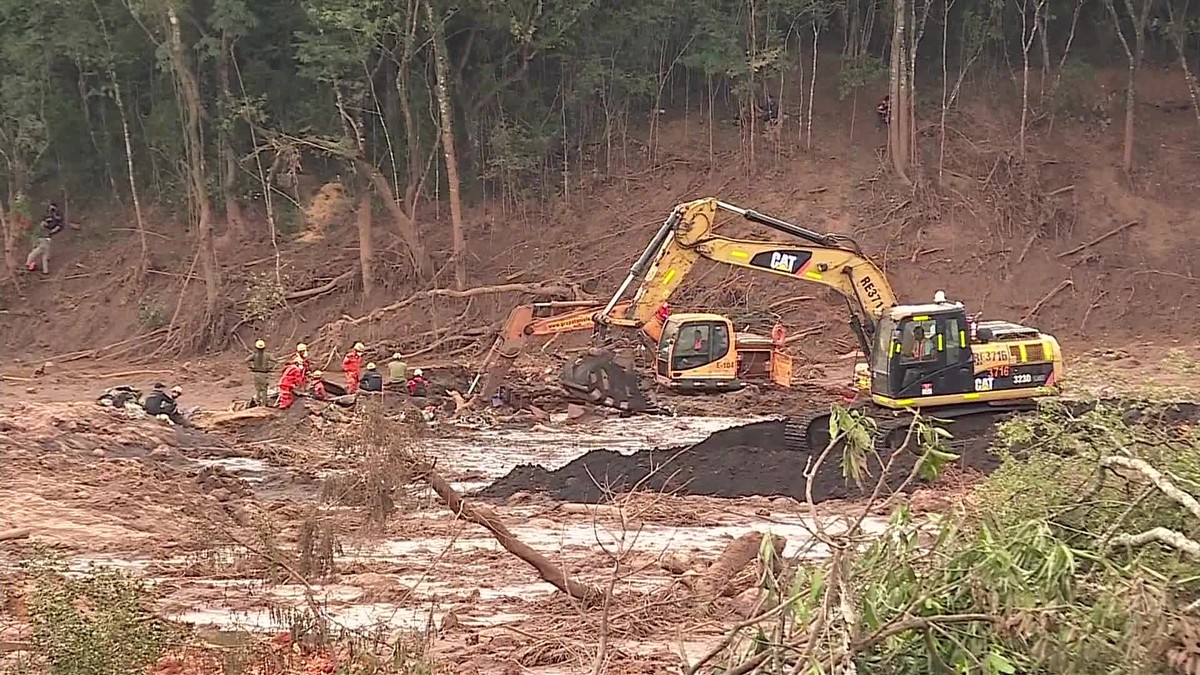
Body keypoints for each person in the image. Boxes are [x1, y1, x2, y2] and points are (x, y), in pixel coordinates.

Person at [25, 203, 66, 275]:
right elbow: (45, 223)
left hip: (45, 238)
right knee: (44, 255)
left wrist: (52, 219)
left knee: (36, 253)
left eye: (53, 208)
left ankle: (29, 264)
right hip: (45, 238)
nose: (51, 210)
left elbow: (59, 223)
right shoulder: (47, 217)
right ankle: (45, 270)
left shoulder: (57, 216)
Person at [246, 339, 276, 406]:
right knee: (264, 389)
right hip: (264, 373)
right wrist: (270, 368)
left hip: (256, 373)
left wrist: (251, 368)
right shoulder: (267, 355)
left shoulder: (254, 355)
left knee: (258, 389)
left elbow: (246, 361)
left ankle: (258, 403)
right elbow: (275, 361)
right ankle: (264, 404)